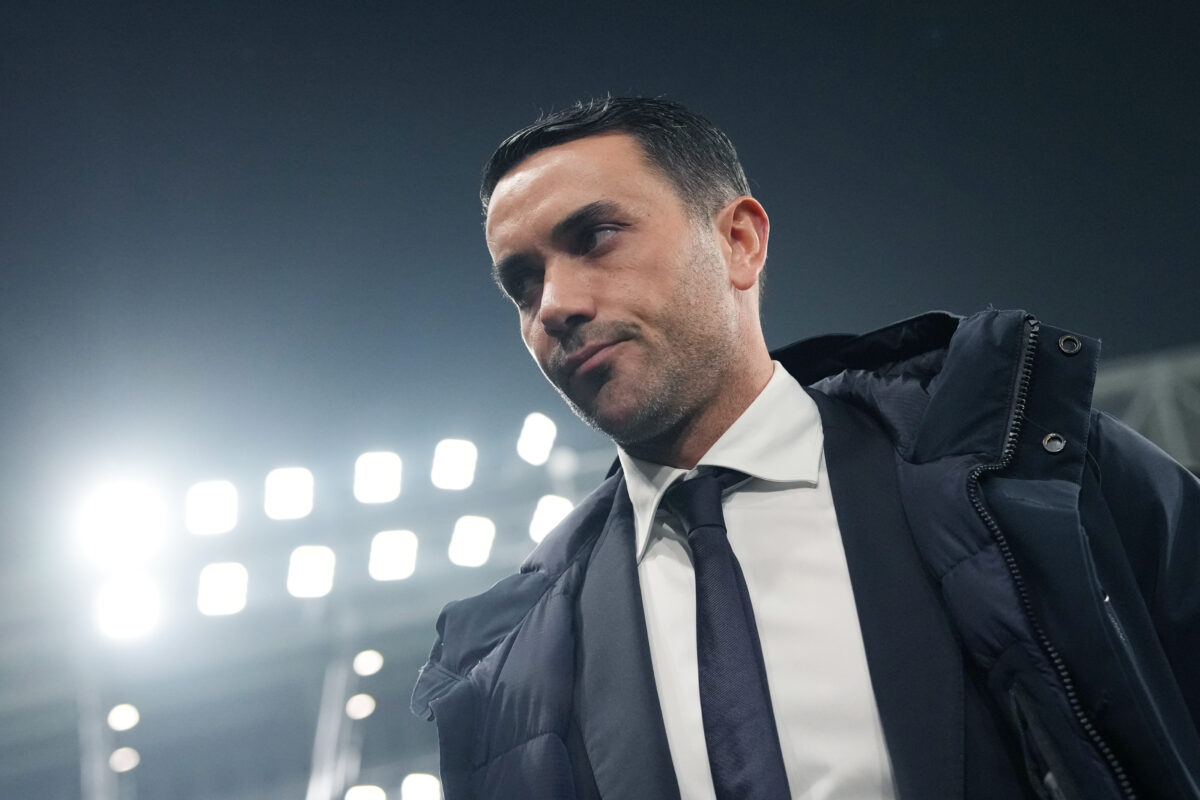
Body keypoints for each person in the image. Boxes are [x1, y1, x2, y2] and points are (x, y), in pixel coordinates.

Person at [411, 97, 1200, 800]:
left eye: (595, 237)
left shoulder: (1032, 465)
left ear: (739, 241)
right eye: (523, 282)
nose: (555, 305)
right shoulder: (501, 671)